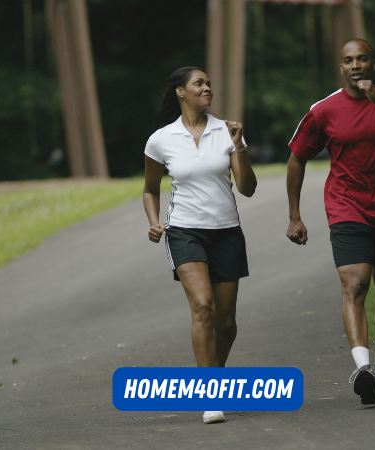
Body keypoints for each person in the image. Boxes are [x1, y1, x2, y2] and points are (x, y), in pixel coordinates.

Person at [285, 39, 375, 405]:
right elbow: (297, 156)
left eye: (362, 59)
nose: (356, 65)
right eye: (348, 61)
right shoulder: (324, 110)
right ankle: (362, 369)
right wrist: (295, 215)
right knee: (355, 283)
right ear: (341, 68)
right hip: (347, 206)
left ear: (373, 64)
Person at [143, 66, 257, 423]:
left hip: (226, 231)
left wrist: (238, 145)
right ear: (180, 92)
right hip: (184, 232)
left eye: (208, 83)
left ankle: (213, 381)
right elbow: (150, 188)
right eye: (199, 83)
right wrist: (153, 221)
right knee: (203, 307)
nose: (207, 88)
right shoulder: (161, 139)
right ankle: (211, 397)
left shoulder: (227, 132)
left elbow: (248, 188)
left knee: (226, 323)